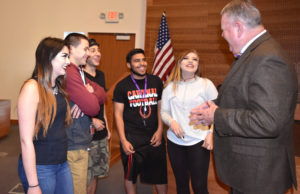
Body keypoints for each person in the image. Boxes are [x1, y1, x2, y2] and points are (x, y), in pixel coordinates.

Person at [189, 0, 298, 193]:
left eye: (223, 30)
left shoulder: (267, 58)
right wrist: (213, 106)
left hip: (259, 176)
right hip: (249, 172)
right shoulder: (255, 53)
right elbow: (244, 97)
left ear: (238, 27)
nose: (222, 35)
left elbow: (268, 121)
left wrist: (217, 116)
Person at [18, 37, 73, 194]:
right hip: (40, 166)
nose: (68, 62)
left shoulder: (58, 87)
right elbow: (25, 140)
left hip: (61, 163)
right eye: (64, 56)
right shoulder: (32, 88)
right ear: (48, 57)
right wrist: (33, 184)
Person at [161, 49, 218, 194]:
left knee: (199, 186)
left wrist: (210, 133)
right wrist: (172, 122)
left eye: (195, 59)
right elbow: (164, 112)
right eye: (186, 58)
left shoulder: (206, 84)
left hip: (199, 140)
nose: (191, 61)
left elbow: (217, 112)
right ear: (179, 63)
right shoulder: (169, 86)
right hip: (175, 142)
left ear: (198, 65)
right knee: (181, 185)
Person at [113, 48, 167, 194]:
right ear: (129, 65)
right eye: (137, 61)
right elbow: (117, 114)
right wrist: (123, 140)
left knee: (160, 175)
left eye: (143, 60)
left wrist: (160, 130)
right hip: (133, 138)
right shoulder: (122, 86)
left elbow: (161, 109)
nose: (142, 63)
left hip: (154, 136)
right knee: (130, 176)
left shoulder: (156, 81)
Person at [64, 33, 107, 194]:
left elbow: (102, 94)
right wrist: (88, 98)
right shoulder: (70, 71)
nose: (88, 53)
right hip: (74, 143)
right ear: (71, 49)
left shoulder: (79, 71)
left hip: (80, 140)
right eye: (85, 49)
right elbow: (92, 108)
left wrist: (91, 95)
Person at [83, 39, 111, 194]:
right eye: (93, 50)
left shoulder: (101, 75)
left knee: (96, 173)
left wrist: (106, 124)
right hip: (86, 133)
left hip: (101, 132)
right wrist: (91, 120)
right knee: (85, 175)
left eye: (98, 50)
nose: (98, 54)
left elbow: (103, 102)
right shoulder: (79, 76)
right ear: (85, 54)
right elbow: (75, 104)